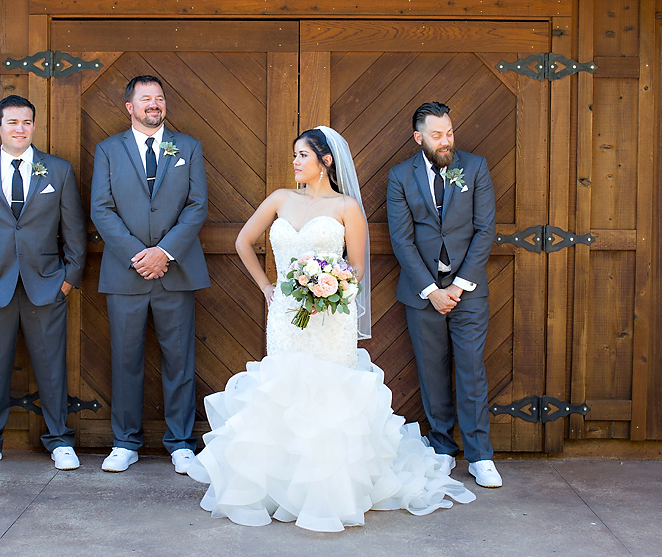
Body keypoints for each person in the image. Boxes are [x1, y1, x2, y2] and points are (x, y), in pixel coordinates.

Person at [186, 127, 475, 532]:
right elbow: (242, 242)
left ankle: (331, 493)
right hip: (287, 315)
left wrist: (332, 287)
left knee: (329, 399)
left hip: (330, 316)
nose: (295, 162)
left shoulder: (346, 207)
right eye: (293, 155)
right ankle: (279, 488)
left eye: (302, 155)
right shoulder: (280, 199)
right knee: (285, 392)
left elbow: (356, 267)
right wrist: (268, 287)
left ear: (325, 161)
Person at [0, 95, 87, 470]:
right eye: (12, 122)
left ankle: (60, 440)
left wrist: (68, 280)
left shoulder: (57, 171)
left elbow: (74, 231)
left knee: (51, 366)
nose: (20, 129)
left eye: (26, 122)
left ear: (34, 126)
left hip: (46, 284)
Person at [90, 75, 210, 474]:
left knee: (179, 358)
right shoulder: (108, 150)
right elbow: (101, 209)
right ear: (130, 107)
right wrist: (138, 255)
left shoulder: (189, 147)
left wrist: (164, 253)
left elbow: (196, 206)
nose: (153, 104)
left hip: (176, 271)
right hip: (126, 273)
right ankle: (125, 442)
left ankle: (180, 442)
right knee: (126, 359)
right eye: (146, 99)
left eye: (159, 98)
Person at [386, 102, 501, 488]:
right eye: (437, 135)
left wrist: (457, 285)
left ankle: (480, 455)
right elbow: (401, 239)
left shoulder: (475, 167)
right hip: (422, 294)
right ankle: (441, 449)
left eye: (449, 132)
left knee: (471, 370)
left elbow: (485, 230)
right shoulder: (401, 176)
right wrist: (432, 290)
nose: (446, 140)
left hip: (469, 291)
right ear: (419, 137)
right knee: (431, 371)